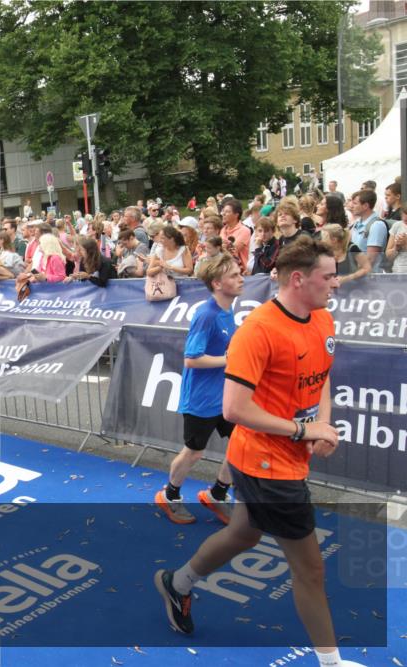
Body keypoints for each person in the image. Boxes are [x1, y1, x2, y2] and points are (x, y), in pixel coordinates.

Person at [154, 238, 364, 667]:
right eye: (329, 275)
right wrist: (305, 429)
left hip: (280, 454)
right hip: (266, 462)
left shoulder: (322, 319)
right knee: (310, 570)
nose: (336, 283)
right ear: (299, 279)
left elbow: (321, 377)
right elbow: (234, 408)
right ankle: (332, 663)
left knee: (244, 533)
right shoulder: (260, 329)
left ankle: (178, 583)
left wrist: (320, 426)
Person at [155, 253, 243, 525]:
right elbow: (192, 358)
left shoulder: (228, 309)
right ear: (217, 283)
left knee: (243, 444)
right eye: (234, 275)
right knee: (194, 452)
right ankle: (170, 496)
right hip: (202, 399)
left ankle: (217, 494)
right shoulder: (206, 314)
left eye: (240, 273)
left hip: (225, 397)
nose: (241, 278)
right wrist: (230, 360)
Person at [385, 203, 407, 273]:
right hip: (398, 272)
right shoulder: (397, 226)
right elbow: (388, 256)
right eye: (404, 214)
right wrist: (396, 247)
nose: (405, 218)